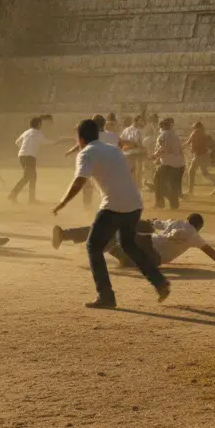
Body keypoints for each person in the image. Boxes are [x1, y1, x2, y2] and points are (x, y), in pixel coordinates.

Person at [53, 118, 170, 309]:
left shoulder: (86, 154)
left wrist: (62, 203)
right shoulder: (112, 149)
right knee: (129, 245)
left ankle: (106, 296)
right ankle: (160, 282)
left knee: (93, 246)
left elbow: (79, 181)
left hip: (113, 205)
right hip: (134, 203)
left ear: (80, 138)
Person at [52, 212, 215, 270]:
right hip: (152, 256)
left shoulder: (178, 223)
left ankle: (67, 235)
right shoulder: (194, 234)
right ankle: (111, 247)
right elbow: (209, 250)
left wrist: (152, 224)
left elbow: (156, 223)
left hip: (148, 246)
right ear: (199, 226)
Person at [9, 116, 46, 204]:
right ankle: (13, 195)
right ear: (39, 124)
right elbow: (46, 142)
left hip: (21, 156)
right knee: (28, 177)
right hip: (30, 157)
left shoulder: (26, 132)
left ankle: (31, 199)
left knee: (32, 177)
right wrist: (58, 142)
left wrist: (24, 149)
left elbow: (17, 142)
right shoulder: (38, 133)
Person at [152, 117, 185, 210]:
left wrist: (154, 156)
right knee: (173, 185)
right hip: (180, 164)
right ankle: (174, 204)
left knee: (157, 181)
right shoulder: (175, 136)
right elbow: (180, 150)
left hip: (168, 164)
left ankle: (160, 203)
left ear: (161, 127)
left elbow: (162, 149)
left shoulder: (162, 136)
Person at [183, 122, 215, 194]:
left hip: (198, 156)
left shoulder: (195, 133)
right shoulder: (204, 134)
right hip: (205, 156)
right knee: (205, 174)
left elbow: (188, 142)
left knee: (191, 171)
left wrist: (180, 147)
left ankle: (190, 191)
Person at [120, 116, 146, 185]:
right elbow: (121, 142)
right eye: (140, 121)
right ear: (135, 121)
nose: (141, 122)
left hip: (133, 154)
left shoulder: (138, 131)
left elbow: (140, 144)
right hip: (130, 154)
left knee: (135, 173)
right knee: (132, 173)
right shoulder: (127, 130)